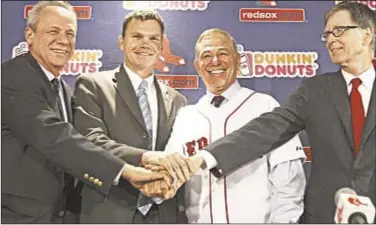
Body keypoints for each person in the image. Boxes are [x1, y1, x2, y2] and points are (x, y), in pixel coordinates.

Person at [166, 2, 375, 223]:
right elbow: (266, 129)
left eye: (339, 31)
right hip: (327, 217)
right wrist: (204, 157)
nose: (331, 39)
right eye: (327, 34)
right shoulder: (314, 90)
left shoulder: (262, 101)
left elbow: (288, 184)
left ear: (366, 35)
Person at [1, 1, 172, 223]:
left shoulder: (61, 87)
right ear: (30, 35)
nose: (63, 40)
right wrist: (125, 170)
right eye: (53, 31)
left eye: (70, 33)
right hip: (19, 215)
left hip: (59, 214)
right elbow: (56, 138)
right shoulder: (13, 77)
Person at [164, 28, 307, 223]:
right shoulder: (186, 117)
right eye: (207, 55)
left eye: (223, 53)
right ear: (198, 66)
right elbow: (168, 177)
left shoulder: (265, 106)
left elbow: (289, 181)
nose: (215, 61)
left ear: (238, 60)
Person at [72, 10, 189, 223]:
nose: (145, 44)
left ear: (162, 45)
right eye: (137, 36)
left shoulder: (178, 100)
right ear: (121, 41)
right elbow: (90, 141)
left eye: (153, 38)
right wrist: (145, 157)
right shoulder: (93, 85)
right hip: (109, 210)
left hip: (163, 212)